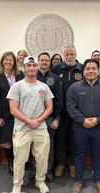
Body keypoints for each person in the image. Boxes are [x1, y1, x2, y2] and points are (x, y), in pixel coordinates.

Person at [67, 59, 100, 193]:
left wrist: (98, 120)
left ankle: (99, 181)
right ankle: (78, 181)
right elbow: (70, 107)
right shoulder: (74, 88)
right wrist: (82, 120)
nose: (90, 71)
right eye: (87, 69)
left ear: (98, 71)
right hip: (80, 128)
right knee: (79, 155)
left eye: (93, 68)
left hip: (99, 128)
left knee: (97, 155)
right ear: (83, 72)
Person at [7, 56, 54, 193]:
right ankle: (17, 184)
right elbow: (13, 109)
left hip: (40, 127)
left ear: (37, 67)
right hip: (22, 128)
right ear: (24, 68)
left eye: (34, 65)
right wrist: (29, 121)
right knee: (20, 159)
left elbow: (50, 107)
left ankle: (40, 181)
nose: (32, 68)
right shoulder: (17, 86)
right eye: (29, 65)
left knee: (42, 157)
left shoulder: (43, 86)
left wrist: (38, 120)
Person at [51, 45, 83, 178]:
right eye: (67, 55)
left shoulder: (82, 69)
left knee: (75, 140)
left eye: (72, 54)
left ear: (76, 55)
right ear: (63, 56)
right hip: (61, 113)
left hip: (77, 113)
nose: (69, 57)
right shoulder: (56, 69)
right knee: (61, 139)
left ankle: (73, 165)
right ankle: (60, 164)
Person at [0, 51, 24, 176]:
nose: (8, 62)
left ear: (14, 62)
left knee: (20, 139)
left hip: (20, 113)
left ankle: (19, 162)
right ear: (2, 62)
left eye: (10, 60)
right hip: (5, 114)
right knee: (8, 140)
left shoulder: (20, 75)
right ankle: (10, 164)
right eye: (5, 60)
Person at [34, 52, 63, 183]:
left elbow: (59, 100)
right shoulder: (31, 76)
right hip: (33, 119)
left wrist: (57, 118)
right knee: (35, 146)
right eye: (42, 60)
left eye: (47, 60)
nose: (44, 62)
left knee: (49, 146)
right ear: (38, 62)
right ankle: (36, 170)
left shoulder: (55, 78)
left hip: (50, 118)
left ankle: (48, 171)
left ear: (50, 62)